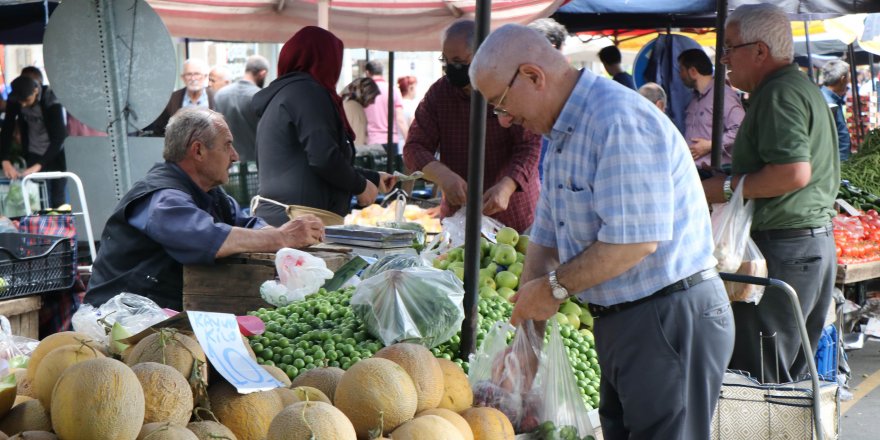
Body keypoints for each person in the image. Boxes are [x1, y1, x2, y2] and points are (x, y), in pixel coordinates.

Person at [470, 24, 734, 439]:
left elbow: (635, 241)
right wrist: (527, 345)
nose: (504, 121)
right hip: (625, 321)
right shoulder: (560, 136)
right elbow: (544, 243)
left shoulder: (616, 120)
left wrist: (555, 289)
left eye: (501, 104)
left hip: (667, 317)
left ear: (533, 76)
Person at [702, 3, 839, 384]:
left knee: (760, 379)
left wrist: (725, 188)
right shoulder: (796, 88)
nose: (724, 58)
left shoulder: (779, 93)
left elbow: (793, 173)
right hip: (807, 250)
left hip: (785, 251)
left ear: (760, 51)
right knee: (786, 380)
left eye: (730, 47)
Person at [86, 108, 325, 310]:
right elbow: (207, 238)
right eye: (227, 146)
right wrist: (283, 236)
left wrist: (277, 235)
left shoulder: (209, 192)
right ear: (198, 150)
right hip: (118, 320)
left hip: (161, 313)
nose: (235, 156)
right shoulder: (162, 198)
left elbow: (245, 224)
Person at [403, 19, 541, 233]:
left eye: (458, 61)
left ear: (481, 55)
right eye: (445, 60)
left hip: (515, 216)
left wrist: (507, 186)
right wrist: (443, 175)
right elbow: (414, 147)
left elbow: (529, 146)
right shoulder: (439, 94)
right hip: (459, 219)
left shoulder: (510, 88)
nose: (450, 68)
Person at [251, 27, 395, 226]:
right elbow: (324, 158)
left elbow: (308, 160)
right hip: (299, 220)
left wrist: (372, 178)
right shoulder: (308, 92)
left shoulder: (287, 93)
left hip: (286, 218)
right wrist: (360, 186)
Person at [0, 74, 68, 208]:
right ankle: (43, 226)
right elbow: (7, 128)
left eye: (26, 100)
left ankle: (59, 227)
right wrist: (5, 160)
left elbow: (59, 137)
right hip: (34, 150)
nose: (23, 104)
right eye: (20, 101)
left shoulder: (51, 100)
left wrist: (37, 166)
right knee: (40, 198)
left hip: (55, 153)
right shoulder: (16, 100)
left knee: (58, 198)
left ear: (36, 91)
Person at [678, 48, 745, 167]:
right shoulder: (693, 99)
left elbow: (741, 129)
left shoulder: (723, 95)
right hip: (694, 172)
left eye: (681, 70)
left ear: (693, 71)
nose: (680, 75)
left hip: (713, 174)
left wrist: (710, 145)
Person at [214, 55, 270, 163]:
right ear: (263, 74)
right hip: (255, 163)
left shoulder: (220, 95)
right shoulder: (261, 97)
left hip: (227, 163)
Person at [145, 58, 216, 137]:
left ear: (205, 76)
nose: (193, 78)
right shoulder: (171, 99)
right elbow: (160, 130)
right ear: (182, 78)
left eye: (197, 74)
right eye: (189, 74)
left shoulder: (216, 98)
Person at [363, 60, 409, 150]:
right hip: (392, 140)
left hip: (372, 141)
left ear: (367, 73)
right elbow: (400, 119)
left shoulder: (364, 91)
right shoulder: (393, 90)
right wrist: (409, 141)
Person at [820, 59, 852, 162]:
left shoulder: (827, 97)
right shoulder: (828, 102)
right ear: (843, 79)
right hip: (835, 162)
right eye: (848, 77)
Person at [342, 77, 381, 149]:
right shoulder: (355, 108)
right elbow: (359, 142)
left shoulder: (344, 103)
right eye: (372, 97)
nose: (373, 102)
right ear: (365, 94)